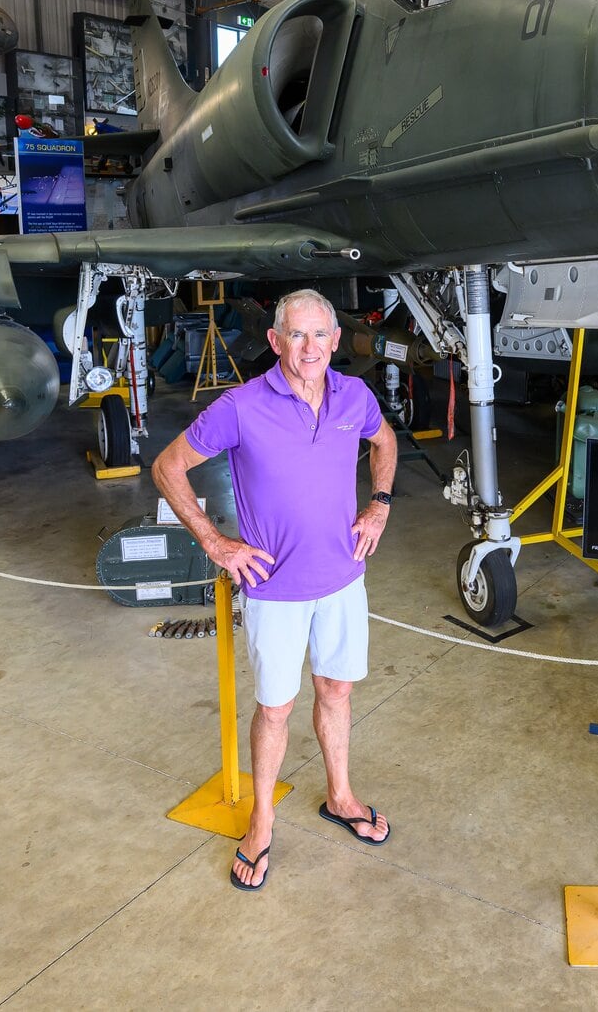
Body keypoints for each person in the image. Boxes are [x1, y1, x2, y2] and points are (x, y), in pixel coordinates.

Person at [152, 288, 399, 893]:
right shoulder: (240, 406)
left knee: (337, 691)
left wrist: (379, 505)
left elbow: (384, 442)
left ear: (336, 342)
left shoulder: (354, 395)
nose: (310, 347)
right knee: (276, 708)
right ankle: (261, 821)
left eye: (320, 335)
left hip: (344, 579)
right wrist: (217, 543)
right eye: (297, 335)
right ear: (275, 340)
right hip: (275, 588)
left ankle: (340, 795)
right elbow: (167, 466)